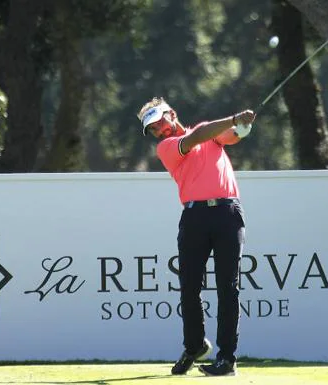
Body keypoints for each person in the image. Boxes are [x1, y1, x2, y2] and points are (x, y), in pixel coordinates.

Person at [137, 97, 255, 376]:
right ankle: (194, 346)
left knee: (228, 286)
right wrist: (234, 117)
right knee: (190, 286)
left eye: (159, 123)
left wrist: (244, 125)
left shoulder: (210, 132)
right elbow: (200, 136)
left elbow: (234, 136)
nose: (158, 131)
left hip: (228, 212)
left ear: (172, 114)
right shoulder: (167, 148)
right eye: (152, 129)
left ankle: (227, 359)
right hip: (194, 217)